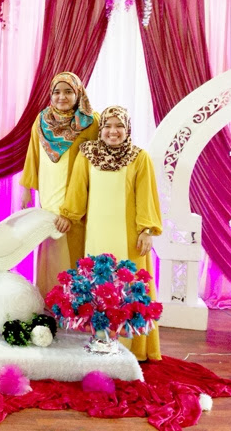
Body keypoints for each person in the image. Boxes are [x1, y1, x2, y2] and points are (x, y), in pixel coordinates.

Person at [58, 105, 162, 361]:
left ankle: (132, 347)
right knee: (96, 283)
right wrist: (68, 215)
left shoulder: (139, 157)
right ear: (100, 128)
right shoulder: (87, 154)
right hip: (95, 233)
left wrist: (146, 229)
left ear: (128, 130)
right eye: (107, 126)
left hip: (129, 237)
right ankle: (99, 339)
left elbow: (146, 197)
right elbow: (78, 189)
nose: (113, 131)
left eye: (119, 126)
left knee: (129, 284)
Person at [19, 71, 99, 298]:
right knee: (50, 240)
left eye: (68, 91)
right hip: (49, 191)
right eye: (56, 92)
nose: (61, 97)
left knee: (73, 242)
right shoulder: (42, 120)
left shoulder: (90, 121)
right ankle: (49, 300)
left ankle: (75, 301)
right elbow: (33, 154)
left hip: (77, 195)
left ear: (78, 94)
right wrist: (27, 189)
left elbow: (98, 160)